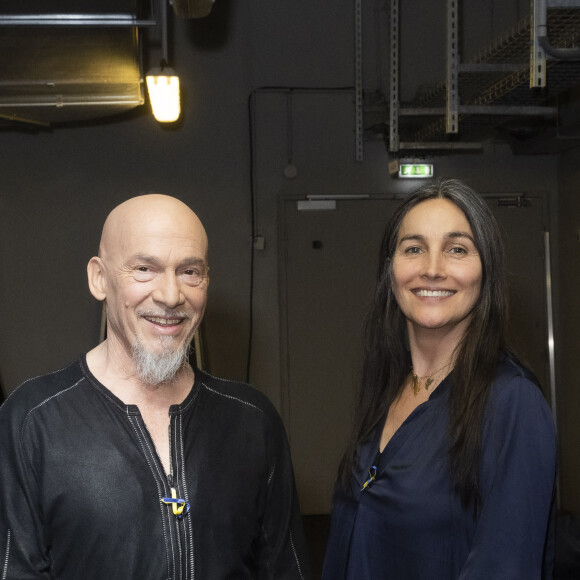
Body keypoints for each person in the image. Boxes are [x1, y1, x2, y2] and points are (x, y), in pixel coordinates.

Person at [0, 194, 310, 579]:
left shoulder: (252, 420)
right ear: (100, 278)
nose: (170, 295)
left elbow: (284, 570)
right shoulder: (32, 421)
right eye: (145, 268)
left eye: (190, 271)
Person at [322, 178, 557, 579]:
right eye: (414, 248)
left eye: (457, 249)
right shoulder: (389, 386)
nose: (432, 269)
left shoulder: (512, 402)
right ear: (390, 270)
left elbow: (505, 567)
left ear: (486, 272)